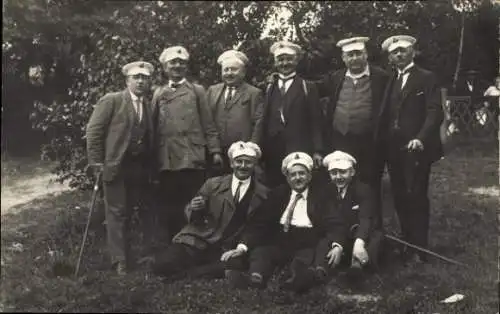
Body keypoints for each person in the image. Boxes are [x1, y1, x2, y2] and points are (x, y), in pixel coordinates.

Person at [221, 152, 348, 292]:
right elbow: (259, 222)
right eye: (293, 175)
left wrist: (338, 245)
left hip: (307, 240)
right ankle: (255, 277)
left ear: (309, 176)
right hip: (280, 239)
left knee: (303, 260)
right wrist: (242, 247)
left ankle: (297, 280)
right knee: (261, 253)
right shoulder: (278, 194)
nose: (297, 178)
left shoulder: (320, 196)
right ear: (287, 178)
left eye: (302, 173)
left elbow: (334, 222)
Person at [150, 141, 268, 278]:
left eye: (248, 162)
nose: (243, 166)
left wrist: (241, 247)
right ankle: (200, 269)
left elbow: (257, 227)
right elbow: (194, 215)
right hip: (200, 239)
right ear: (231, 164)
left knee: (236, 263)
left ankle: (189, 274)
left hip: (228, 247)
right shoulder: (213, 184)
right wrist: (195, 208)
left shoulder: (262, 194)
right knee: (162, 264)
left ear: (254, 166)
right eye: (238, 161)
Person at [376, 35, 444, 264]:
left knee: (416, 195)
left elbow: (435, 111)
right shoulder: (390, 80)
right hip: (394, 149)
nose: (399, 55)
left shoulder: (426, 77)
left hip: (416, 148)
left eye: (403, 50)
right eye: (395, 53)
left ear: (413, 52)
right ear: (390, 57)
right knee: (400, 196)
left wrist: (421, 138)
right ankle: (407, 242)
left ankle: (420, 249)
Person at [86, 61, 156, 275]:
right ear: (127, 80)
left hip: (138, 168)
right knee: (116, 212)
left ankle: (135, 254)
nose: (141, 81)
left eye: (144, 78)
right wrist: (97, 163)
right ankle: (120, 261)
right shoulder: (112, 101)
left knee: (136, 210)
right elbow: (94, 132)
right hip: (115, 165)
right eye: (136, 77)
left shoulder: (147, 104)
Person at [317, 36, 390, 231]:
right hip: (340, 141)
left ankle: (373, 233)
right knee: (340, 186)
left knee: (370, 186)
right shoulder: (336, 77)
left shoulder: (381, 77)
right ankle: (341, 230)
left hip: (369, 143)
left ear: (366, 55)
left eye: (358, 54)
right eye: (350, 55)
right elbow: (313, 89)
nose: (354, 58)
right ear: (343, 58)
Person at [152, 45, 223, 241]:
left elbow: (208, 122)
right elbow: (152, 127)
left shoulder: (197, 90)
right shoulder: (158, 93)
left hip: (192, 156)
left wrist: (215, 150)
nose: (177, 66)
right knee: (170, 203)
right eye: (173, 63)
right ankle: (172, 246)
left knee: (194, 202)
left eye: (181, 63)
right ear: (165, 68)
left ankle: (194, 244)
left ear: (186, 67)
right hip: (167, 158)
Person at [260, 41, 323, 188]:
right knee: (275, 189)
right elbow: (265, 119)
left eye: (289, 59)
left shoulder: (307, 86)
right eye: (280, 59)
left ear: (296, 60)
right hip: (273, 151)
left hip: (299, 147)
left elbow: (316, 120)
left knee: (299, 187)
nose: (285, 63)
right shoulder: (270, 87)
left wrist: (318, 150)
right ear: (276, 62)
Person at [312, 150, 383, 282]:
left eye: (343, 172)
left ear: (352, 172)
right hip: (338, 233)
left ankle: (358, 268)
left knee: (374, 240)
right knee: (324, 243)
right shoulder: (327, 191)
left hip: (360, 232)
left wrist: (359, 242)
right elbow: (331, 221)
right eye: (333, 173)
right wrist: (337, 244)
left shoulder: (363, 190)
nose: (338, 177)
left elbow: (365, 218)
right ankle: (321, 270)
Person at [206, 50, 264, 176]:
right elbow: (208, 122)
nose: (229, 73)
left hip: (243, 153)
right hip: (217, 152)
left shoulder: (253, 93)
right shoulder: (212, 91)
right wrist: (214, 150)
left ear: (243, 73)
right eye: (226, 70)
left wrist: (251, 150)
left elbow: (258, 123)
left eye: (234, 70)